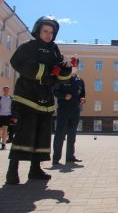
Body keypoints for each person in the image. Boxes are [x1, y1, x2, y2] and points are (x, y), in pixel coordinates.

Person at [5, 15, 72, 185]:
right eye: (45, 31)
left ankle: (35, 169)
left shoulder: (55, 49)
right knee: (24, 133)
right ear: (38, 31)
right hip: (27, 96)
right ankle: (12, 171)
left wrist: (65, 69)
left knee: (42, 135)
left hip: (45, 98)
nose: (49, 35)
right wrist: (47, 70)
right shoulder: (29, 46)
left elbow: (59, 74)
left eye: (52, 32)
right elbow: (17, 62)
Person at [52, 57, 86, 165]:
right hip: (63, 109)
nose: (74, 67)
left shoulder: (80, 80)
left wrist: (83, 98)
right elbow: (55, 91)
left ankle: (70, 157)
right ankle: (56, 158)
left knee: (72, 134)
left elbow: (82, 93)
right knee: (60, 134)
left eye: (76, 65)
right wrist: (63, 96)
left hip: (75, 110)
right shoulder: (62, 78)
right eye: (73, 65)